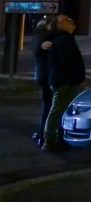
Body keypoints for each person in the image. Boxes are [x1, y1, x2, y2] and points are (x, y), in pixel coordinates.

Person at [40, 14, 85, 152]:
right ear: (60, 25)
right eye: (67, 20)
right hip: (64, 81)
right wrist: (78, 79)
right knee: (58, 110)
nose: (71, 21)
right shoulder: (63, 39)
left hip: (64, 80)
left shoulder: (64, 38)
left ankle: (57, 138)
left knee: (61, 110)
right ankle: (50, 140)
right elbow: (69, 63)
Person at [29, 17, 53, 148]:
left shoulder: (39, 36)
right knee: (49, 106)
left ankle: (42, 133)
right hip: (46, 75)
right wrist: (41, 46)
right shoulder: (43, 37)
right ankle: (43, 134)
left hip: (43, 75)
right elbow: (38, 47)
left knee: (48, 105)